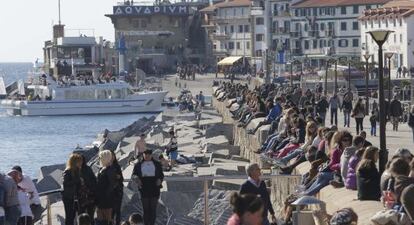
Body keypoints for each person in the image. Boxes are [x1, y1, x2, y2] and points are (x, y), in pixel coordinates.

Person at [132, 149, 164, 225]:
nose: (147, 157)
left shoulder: (157, 164)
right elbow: (133, 175)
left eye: (148, 155)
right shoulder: (138, 164)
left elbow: (161, 175)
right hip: (143, 187)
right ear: (143, 155)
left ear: (151, 155)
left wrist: (160, 179)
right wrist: (136, 178)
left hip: (154, 187)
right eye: (145, 155)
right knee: (145, 209)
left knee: (153, 209)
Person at [96, 150, 118, 225]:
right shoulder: (102, 168)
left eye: (100, 157)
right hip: (101, 198)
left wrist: (104, 195)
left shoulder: (110, 169)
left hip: (106, 199)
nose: (99, 159)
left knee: (107, 220)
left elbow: (111, 185)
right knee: (100, 219)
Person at [62, 153, 83, 225]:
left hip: (75, 197)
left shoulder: (77, 170)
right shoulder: (67, 171)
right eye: (79, 161)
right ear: (75, 162)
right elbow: (65, 183)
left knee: (75, 215)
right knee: (69, 216)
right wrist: (77, 180)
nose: (81, 163)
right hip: (69, 197)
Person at [110, 152, 124, 225]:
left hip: (118, 191)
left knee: (118, 210)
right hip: (110, 192)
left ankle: (117, 223)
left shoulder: (117, 166)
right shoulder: (106, 166)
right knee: (111, 211)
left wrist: (118, 177)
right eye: (111, 156)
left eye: (113, 156)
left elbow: (122, 178)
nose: (112, 157)